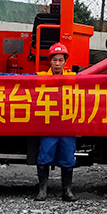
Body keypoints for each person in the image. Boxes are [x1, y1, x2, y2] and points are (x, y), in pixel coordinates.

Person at [36, 42, 78, 202]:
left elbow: (96, 80)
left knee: (68, 157)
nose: (58, 63)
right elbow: (19, 79)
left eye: (61, 60)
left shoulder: (73, 77)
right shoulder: (41, 77)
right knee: (44, 155)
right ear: (50, 61)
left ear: (65, 62)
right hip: (49, 124)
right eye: (55, 60)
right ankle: (42, 191)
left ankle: (67, 191)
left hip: (67, 124)